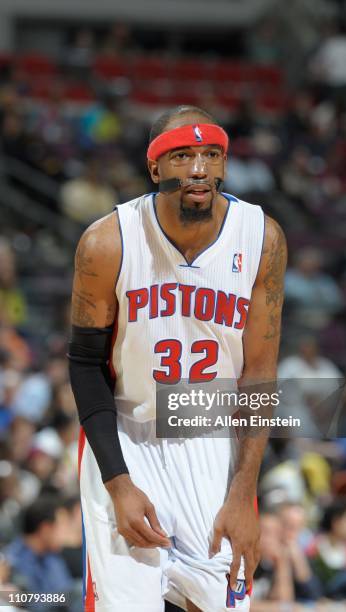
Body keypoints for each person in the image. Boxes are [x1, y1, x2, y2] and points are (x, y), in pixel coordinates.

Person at [68, 104, 287, 611]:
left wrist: (244, 494)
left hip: (214, 444)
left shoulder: (261, 239)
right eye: (183, 155)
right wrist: (118, 483)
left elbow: (260, 374)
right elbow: (84, 364)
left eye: (211, 154)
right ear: (155, 169)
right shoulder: (107, 242)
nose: (199, 168)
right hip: (130, 434)